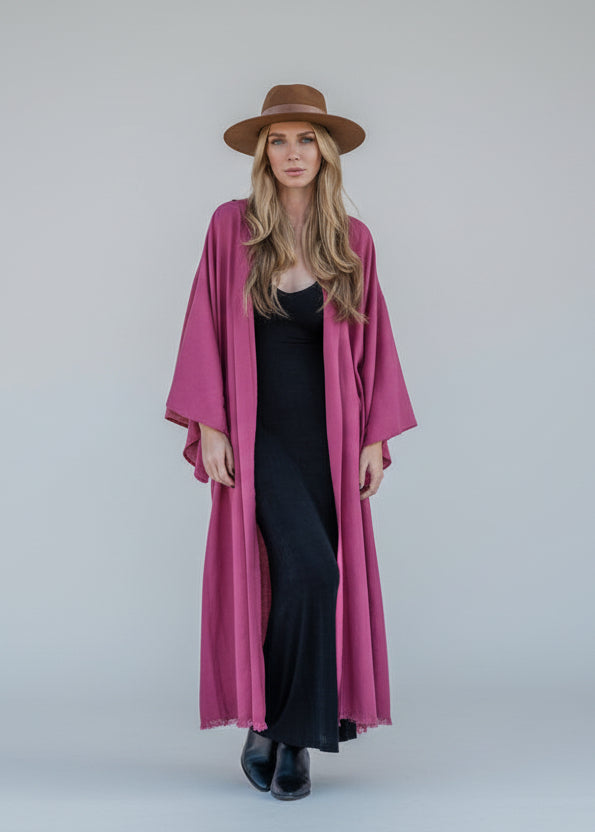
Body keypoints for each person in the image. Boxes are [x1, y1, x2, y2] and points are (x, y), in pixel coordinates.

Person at [164, 83, 418, 801]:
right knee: (309, 572)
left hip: (329, 440)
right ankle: (285, 730)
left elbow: (376, 347)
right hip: (255, 433)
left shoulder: (352, 241)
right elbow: (203, 325)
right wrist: (209, 422)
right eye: (278, 140)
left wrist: (372, 438)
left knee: (306, 582)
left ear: (326, 151)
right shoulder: (231, 227)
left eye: (305, 138)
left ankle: (280, 732)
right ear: (261, 153)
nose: (292, 153)